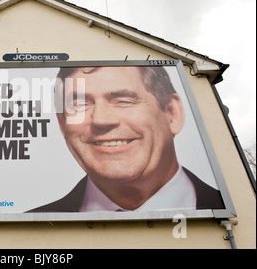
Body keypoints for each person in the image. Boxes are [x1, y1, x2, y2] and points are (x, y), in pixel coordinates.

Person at [30, 66, 224, 212]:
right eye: (80, 104)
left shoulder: (230, 207)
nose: (102, 120)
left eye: (123, 101)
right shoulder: (34, 224)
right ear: (62, 124)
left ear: (172, 113)